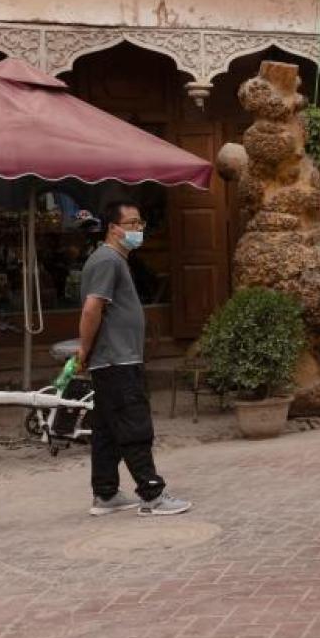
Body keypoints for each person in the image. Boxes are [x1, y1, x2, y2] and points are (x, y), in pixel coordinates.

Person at [78, 200, 190, 518]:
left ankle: (106, 493)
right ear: (113, 228)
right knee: (134, 425)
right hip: (116, 361)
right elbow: (91, 309)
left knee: (107, 431)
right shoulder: (108, 260)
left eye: (140, 224)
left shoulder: (113, 260)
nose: (138, 230)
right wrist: (84, 351)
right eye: (132, 224)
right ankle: (152, 494)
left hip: (114, 360)